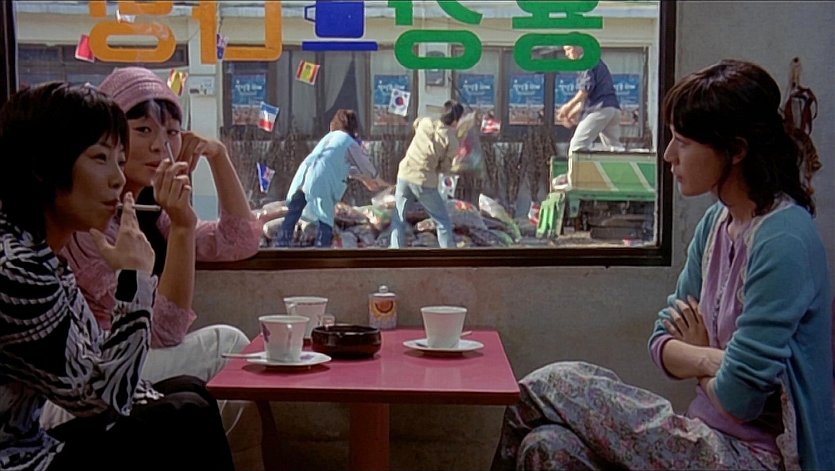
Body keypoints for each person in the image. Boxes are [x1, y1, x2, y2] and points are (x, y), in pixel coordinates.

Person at [491, 59, 834, 470]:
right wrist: (713, 359)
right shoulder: (716, 223)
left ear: (737, 150)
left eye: (682, 142)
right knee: (547, 447)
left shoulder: (783, 238)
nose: (669, 154)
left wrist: (699, 353)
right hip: (703, 434)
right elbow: (661, 341)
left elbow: (740, 400)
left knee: (552, 384)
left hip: (756, 457)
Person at [0, 82, 233, 471]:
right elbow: (102, 399)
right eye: (100, 158)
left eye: (119, 160)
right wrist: (133, 280)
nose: (117, 179)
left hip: (36, 445)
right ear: (43, 167)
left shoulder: (43, 253)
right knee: (182, 416)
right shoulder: (17, 269)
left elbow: (102, 365)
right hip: (17, 461)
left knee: (188, 394)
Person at [41, 67, 258, 431]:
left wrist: (218, 157)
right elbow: (162, 333)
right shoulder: (87, 222)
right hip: (88, 380)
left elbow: (238, 241)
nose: (161, 145)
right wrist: (183, 228)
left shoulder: (150, 211)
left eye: (172, 132)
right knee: (228, 347)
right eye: (143, 130)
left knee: (203, 387)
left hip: (117, 367)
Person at [277, 109, 386, 248]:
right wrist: (377, 179)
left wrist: (362, 178)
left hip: (303, 176)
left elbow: (341, 166)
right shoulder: (349, 142)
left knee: (292, 214)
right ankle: (323, 249)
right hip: (321, 181)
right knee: (325, 219)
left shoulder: (328, 138)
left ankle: (281, 246)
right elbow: (366, 166)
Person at [389, 100, 464, 249]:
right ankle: (450, 254)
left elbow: (416, 123)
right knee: (442, 221)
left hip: (404, 174)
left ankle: (395, 251)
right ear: (456, 121)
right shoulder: (451, 140)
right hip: (424, 181)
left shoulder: (426, 123)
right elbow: (445, 167)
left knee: (399, 218)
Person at [557, 45, 622, 153]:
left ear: (579, 47)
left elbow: (586, 89)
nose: (566, 54)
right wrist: (571, 113)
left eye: (568, 49)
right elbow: (587, 96)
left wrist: (568, 107)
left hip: (600, 109)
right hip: (612, 109)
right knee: (615, 149)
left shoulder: (585, 61)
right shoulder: (594, 60)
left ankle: (580, 165)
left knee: (577, 147)